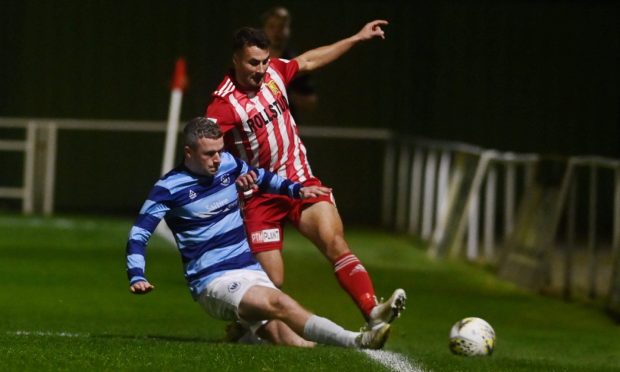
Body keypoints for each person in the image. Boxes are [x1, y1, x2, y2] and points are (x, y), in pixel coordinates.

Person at [205, 20, 406, 330]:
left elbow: (310, 59)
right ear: (235, 60)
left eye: (264, 61)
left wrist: (356, 37)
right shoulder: (223, 105)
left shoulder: (274, 74)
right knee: (273, 281)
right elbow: (206, 150)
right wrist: (231, 177)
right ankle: (242, 325)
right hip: (260, 198)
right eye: (252, 63)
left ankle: (372, 311)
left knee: (334, 241)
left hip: (301, 182)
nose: (260, 69)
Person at [125, 117, 393, 348]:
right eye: (209, 154)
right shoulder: (168, 188)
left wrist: (298, 191)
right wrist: (136, 273)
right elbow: (139, 233)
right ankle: (358, 341)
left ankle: (245, 334)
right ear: (188, 152)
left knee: (299, 344)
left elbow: (264, 178)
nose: (217, 159)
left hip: (250, 270)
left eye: (219, 150)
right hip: (213, 281)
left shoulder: (229, 164)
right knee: (280, 303)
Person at [261, 6, 317, 117]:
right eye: (272, 27)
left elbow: (311, 102)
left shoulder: (296, 63)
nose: (276, 32)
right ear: (264, 29)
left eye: (281, 27)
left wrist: (282, 93)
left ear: (288, 30)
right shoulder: (253, 59)